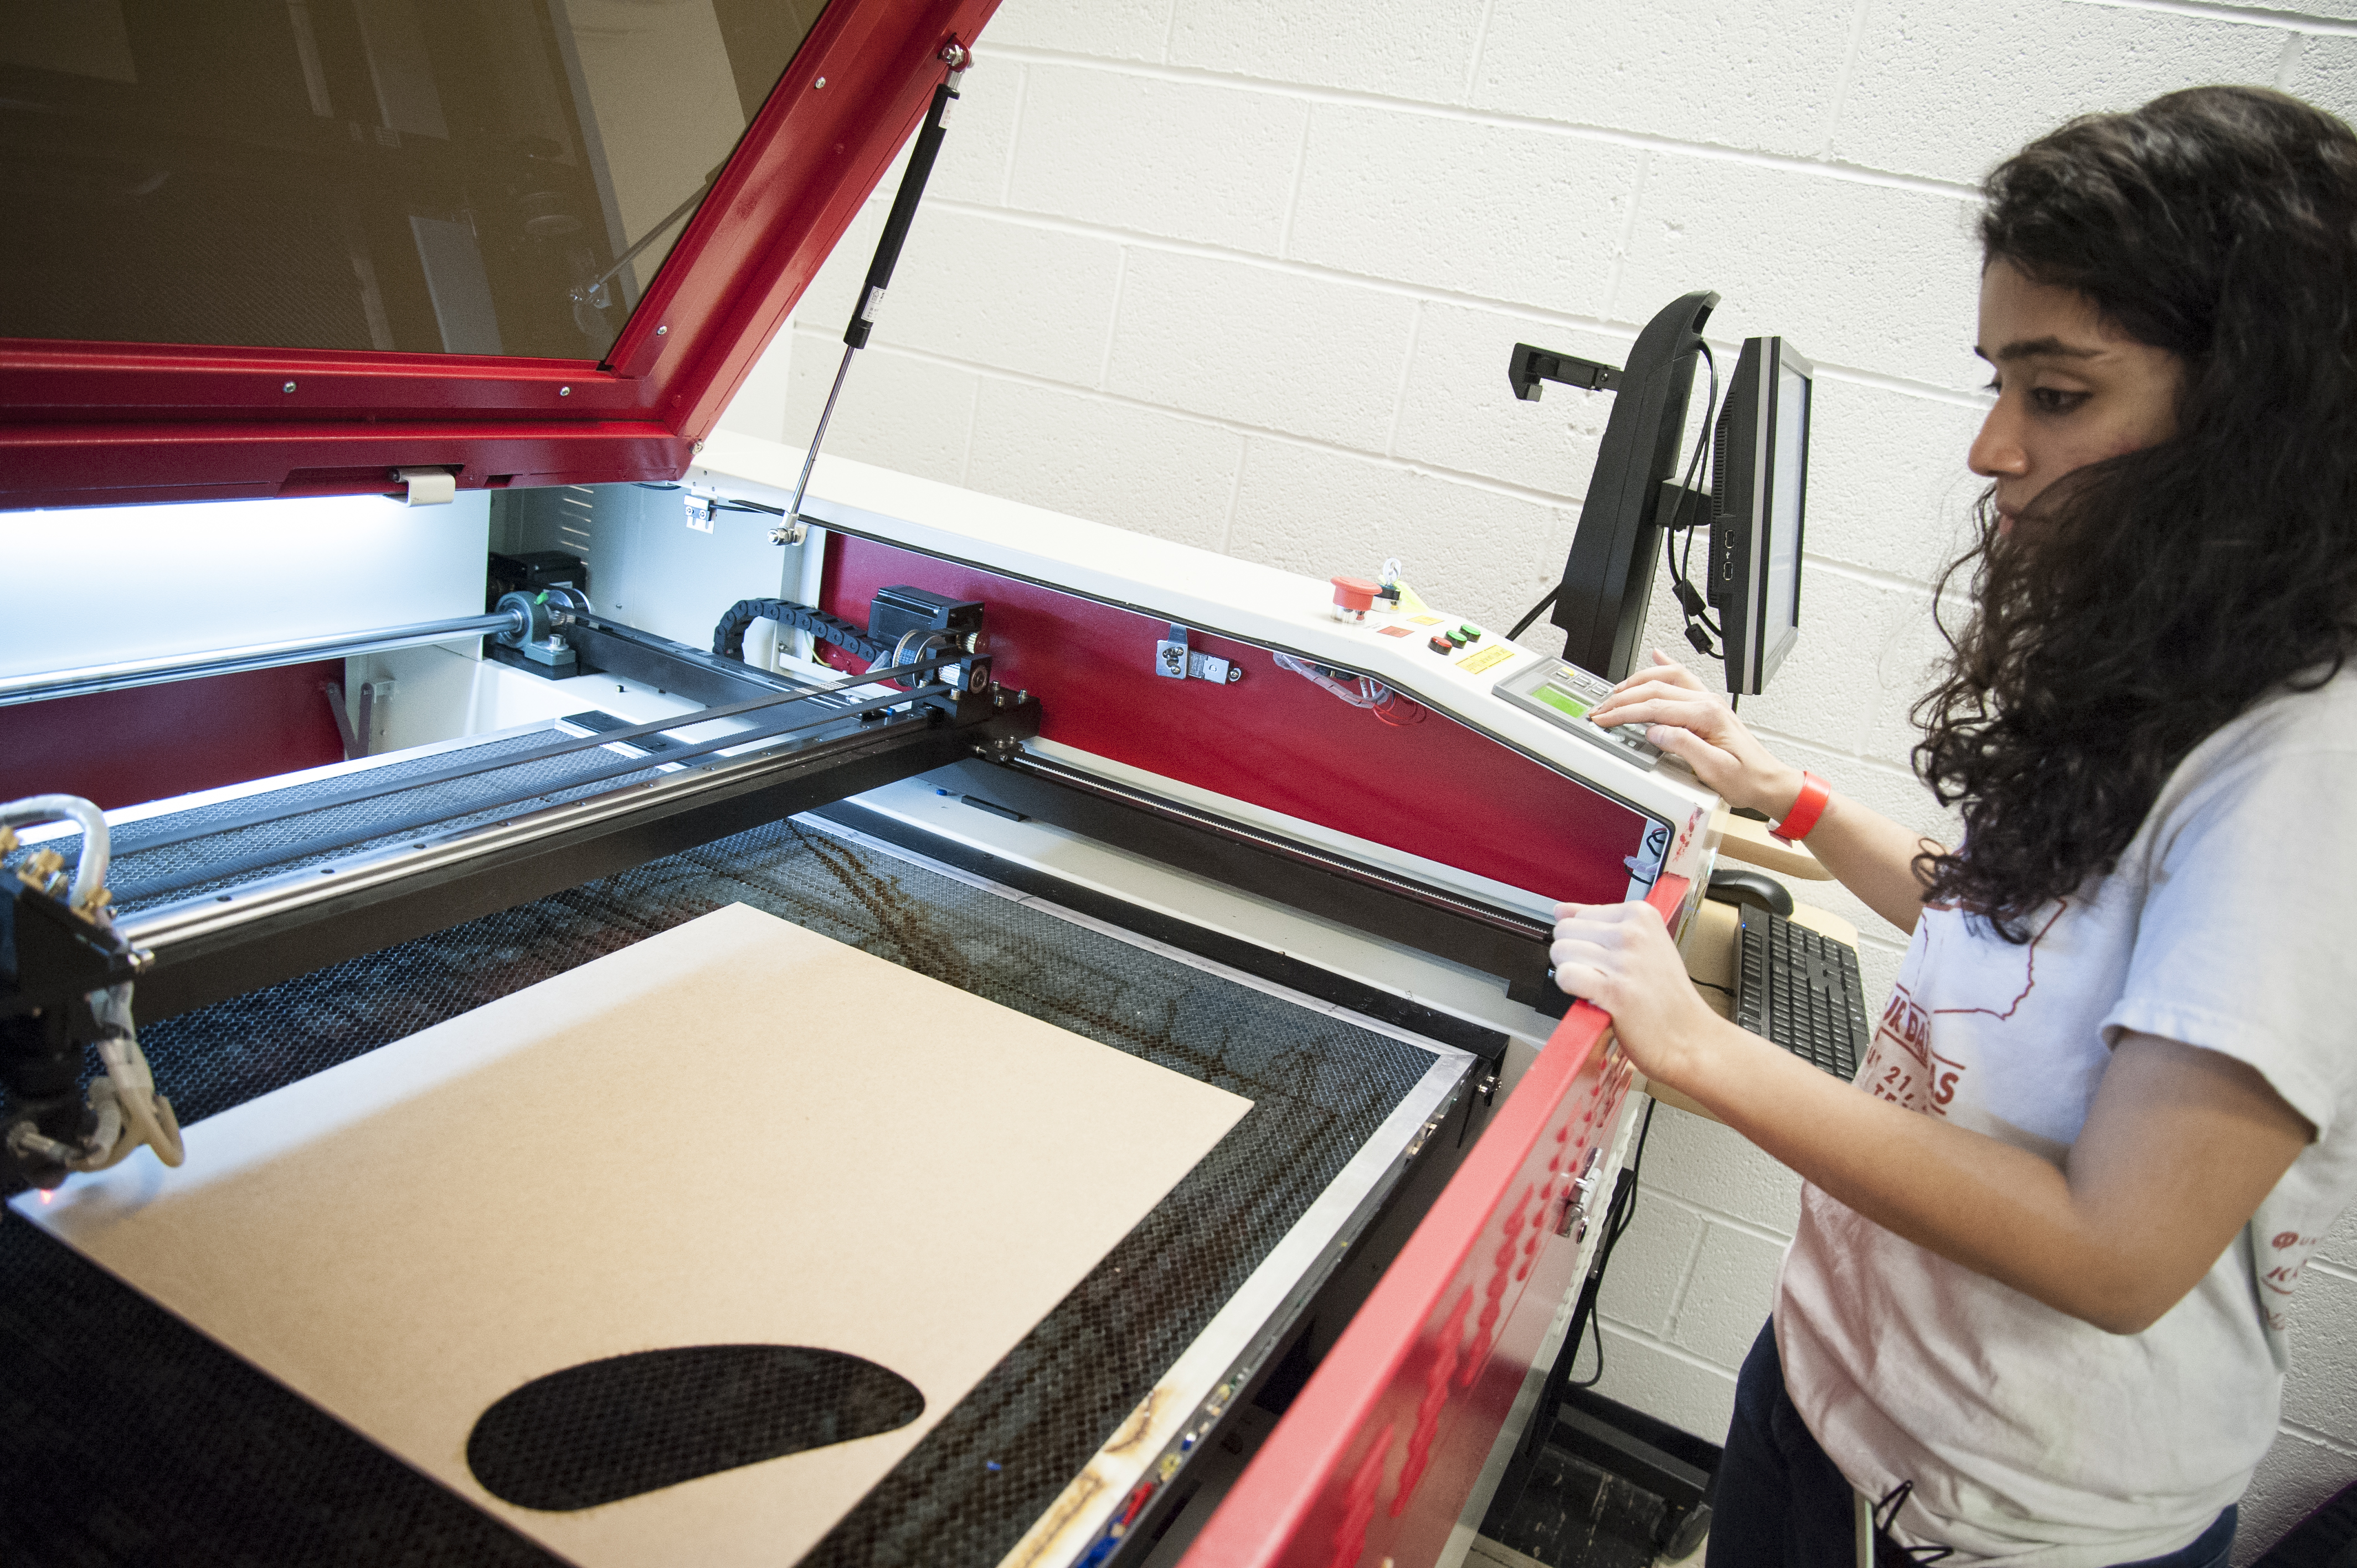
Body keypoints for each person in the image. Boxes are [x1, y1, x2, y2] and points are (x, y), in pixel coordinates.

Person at [1555, 85, 2357, 1567]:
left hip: (2000, 1512)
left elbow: (2119, 1250)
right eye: (1999, 384)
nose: (1993, 450)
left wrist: (1702, 1048)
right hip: (1840, 1385)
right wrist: (1782, 793)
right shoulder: (2181, 652)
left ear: (2263, 420)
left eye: (2055, 396)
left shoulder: (2308, 771)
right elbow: (2013, 928)